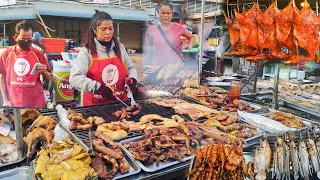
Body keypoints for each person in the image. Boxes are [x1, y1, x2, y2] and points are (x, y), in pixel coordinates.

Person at [70, 10, 138, 106]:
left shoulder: (120, 48)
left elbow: (131, 67)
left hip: (120, 103)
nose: (108, 32)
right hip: (94, 106)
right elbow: (75, 78)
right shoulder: (87, 52)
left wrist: (132, 79)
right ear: (94, 30)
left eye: (110, 28)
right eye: (103, 29)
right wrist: (99, 88)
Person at [0, 20, 52, 108]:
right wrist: (5, 99)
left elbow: (49, 79)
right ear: (15, 37)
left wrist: (44, 72)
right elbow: (2, 79)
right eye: (23, 39)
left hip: (36, 104)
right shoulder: (7, 54)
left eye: (29, 39)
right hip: (13, 104)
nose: (26, 41)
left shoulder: (38, 54)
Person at [144, 2, 195, 66]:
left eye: (168, 13)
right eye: (163, 13)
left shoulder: (178, 27)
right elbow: (146, 46)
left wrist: (189, 46)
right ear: (158, 13)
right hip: (158, 66)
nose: (166, 16)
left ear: (172, 14)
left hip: (176, 65)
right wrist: (148, 48)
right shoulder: (151, 29)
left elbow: (192, 37)